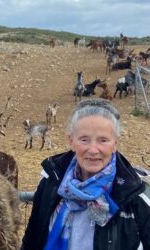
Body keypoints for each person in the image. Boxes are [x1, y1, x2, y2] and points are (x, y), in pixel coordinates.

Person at [22, 98, 150, 250]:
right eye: (84, 139)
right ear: (71, 141)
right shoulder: (50, 183)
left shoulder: (134, 196)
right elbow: (32, 240)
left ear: (115, 143)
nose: (93, 150)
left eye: (103, 140)